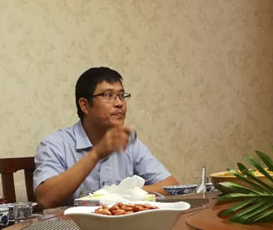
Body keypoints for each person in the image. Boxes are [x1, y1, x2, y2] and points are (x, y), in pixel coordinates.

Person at [33, 67, 178, 209]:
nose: (119, 103)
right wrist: (96, 154)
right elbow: (45, 199)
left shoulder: (128, 142)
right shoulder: (55, 144)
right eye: (108, 95)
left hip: (121, 222)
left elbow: (171, 186)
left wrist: (118, 195)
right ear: (84, 105)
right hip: (73, 224)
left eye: (121, 96)